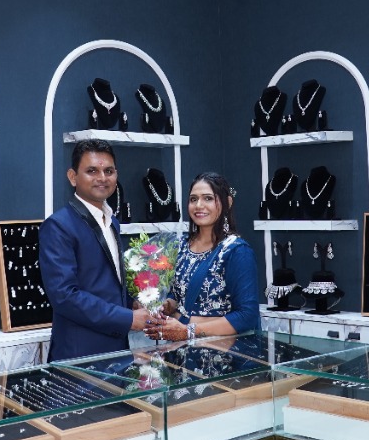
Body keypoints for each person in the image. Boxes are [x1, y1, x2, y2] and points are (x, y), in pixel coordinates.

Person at [40, 139, 149, 361]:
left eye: (109, 171)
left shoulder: (112, 222)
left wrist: (132, 303)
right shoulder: (59, 225)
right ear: (73, 177)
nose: (102, 178)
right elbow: (65, 296)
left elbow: (105, 282)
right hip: (80, 355)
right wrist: (127, 318)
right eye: (92, 171)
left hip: (117, 351)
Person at [145, 172, 260, 342]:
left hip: (220, 350)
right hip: (180, 348)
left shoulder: (236, 251)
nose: (199, 205)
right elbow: (180, 295)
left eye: (208, 198)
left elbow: (247, 316)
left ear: (227, 202)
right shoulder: (181, 246)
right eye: (193, 199)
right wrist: (167, 305)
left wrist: (188, 331)